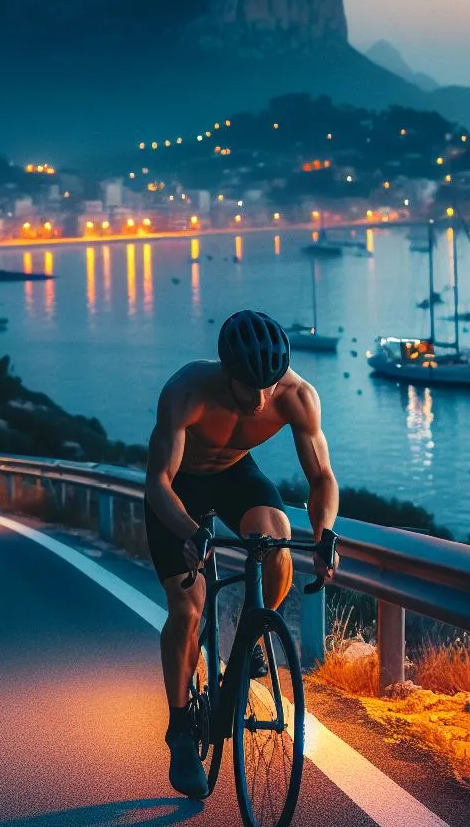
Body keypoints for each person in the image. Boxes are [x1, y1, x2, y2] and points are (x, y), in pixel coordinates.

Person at [144, 309, 339, 798]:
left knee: (275, 535)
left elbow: (321, 479)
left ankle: (253, 635)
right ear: (225, 371)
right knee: (188, 609)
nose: (258, 400)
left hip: (234, 475)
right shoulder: (186, 390)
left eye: (267, 387)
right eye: (246, 387)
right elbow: (158, 483)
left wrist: (326, 532)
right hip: (178, 489)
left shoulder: (297, 396)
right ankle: (180, 727)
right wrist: (189, 532)